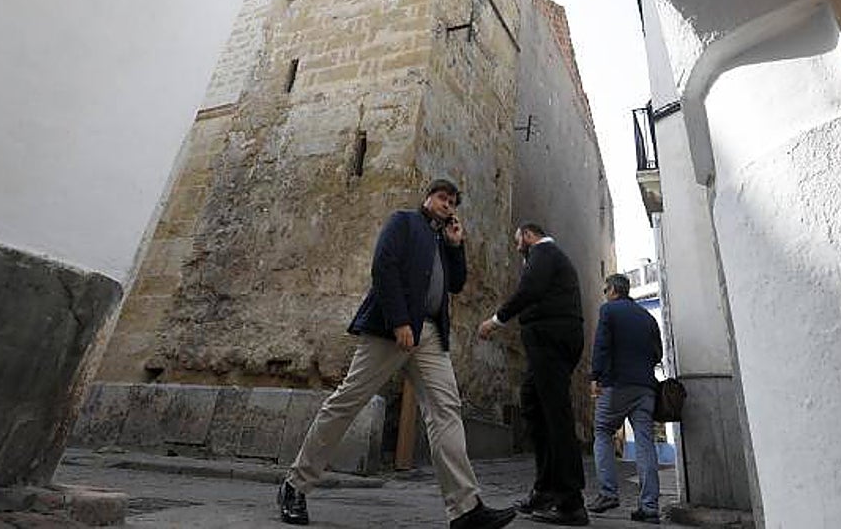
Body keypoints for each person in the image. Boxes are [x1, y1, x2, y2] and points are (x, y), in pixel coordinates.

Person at [278, 178, 517, 529]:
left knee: (446, 410)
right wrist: (400, 320)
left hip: (432, 335)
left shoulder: (441, 239)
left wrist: (455, 246)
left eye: (452, 202)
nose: (447, 205)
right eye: (441, 197)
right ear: (427, 197)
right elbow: (384, 267)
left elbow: (456, 284)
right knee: (347, 401)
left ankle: (465, 508)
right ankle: (294, 485)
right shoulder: (403, 221)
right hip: (392, 328)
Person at [478, 223, 587, 527]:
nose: (516, 248)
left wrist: (496, 320)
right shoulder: (548, 257)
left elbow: (531, 290)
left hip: (551, 339)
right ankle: (545, 490)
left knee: (556, 416)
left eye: (517, 242)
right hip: (548, 341)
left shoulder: (543, 252)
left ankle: (570, 501)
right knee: (533, 406)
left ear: (528, 235)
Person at [586, 273, 663, 524]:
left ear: (611, 290)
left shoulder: (609, 311)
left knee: (602, 432)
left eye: (605, 290)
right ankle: (649, 506)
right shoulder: (648, 317)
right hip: (645, 387)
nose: (605, 294)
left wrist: (595, 376)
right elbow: (657, 352)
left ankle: (608, 493)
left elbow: (601, 345)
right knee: (644, 442)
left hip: (617, 384)